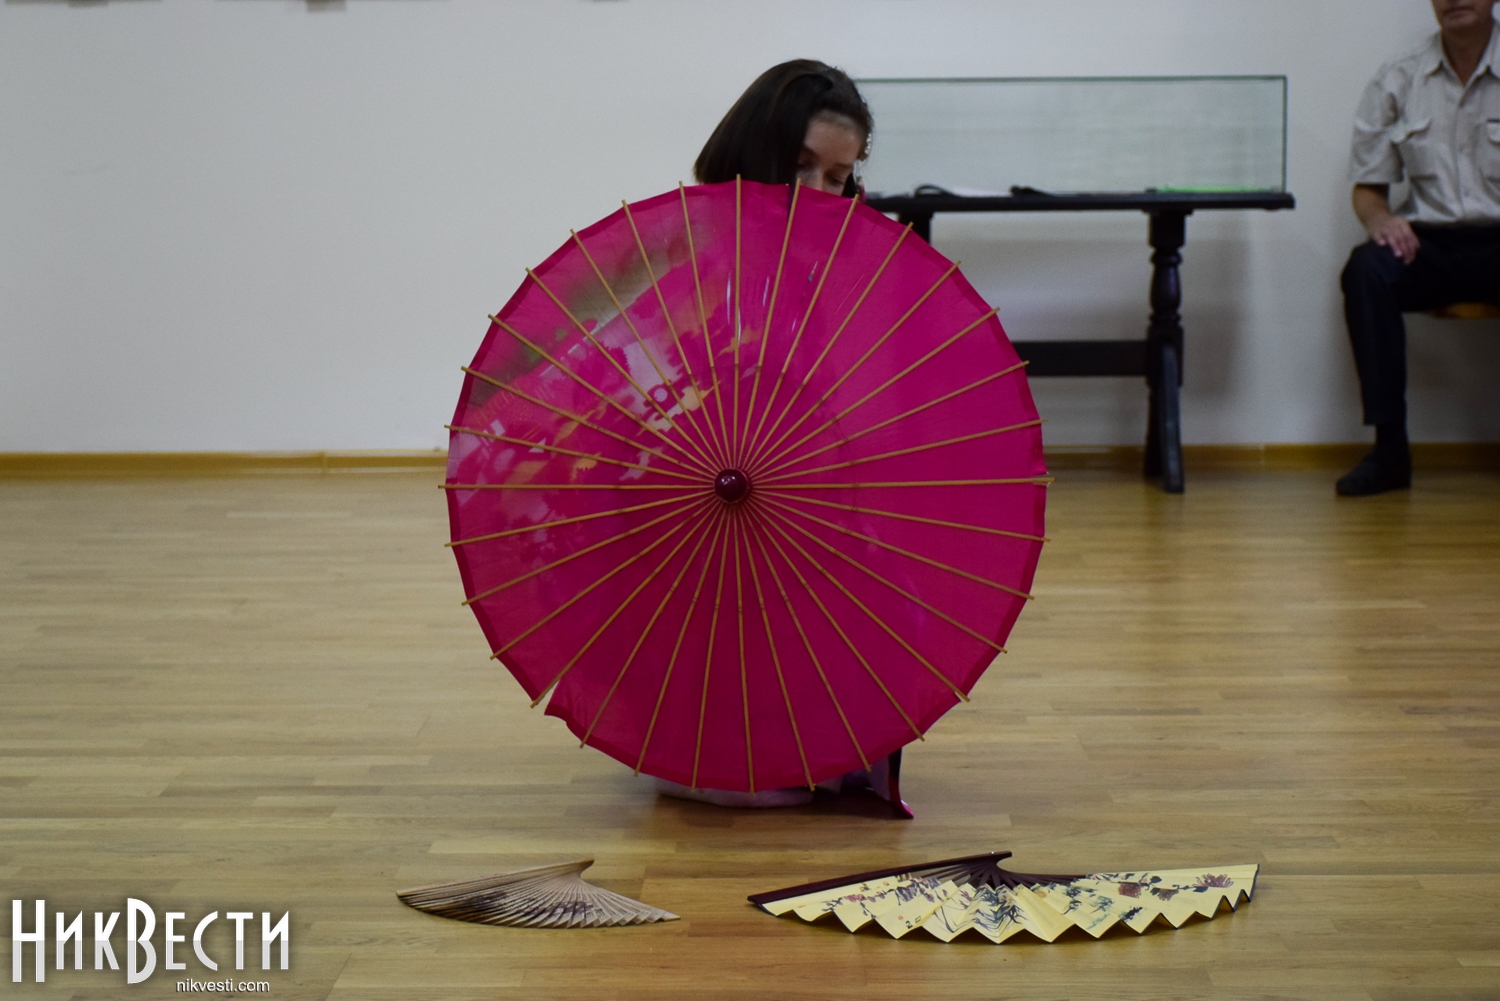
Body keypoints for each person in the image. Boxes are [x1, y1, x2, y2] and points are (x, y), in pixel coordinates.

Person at [655, 61, 910, 816]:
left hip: (795, 472)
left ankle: (785, 745)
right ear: (755, 153)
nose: (818, 193)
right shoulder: (699, 249)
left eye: (838, 176)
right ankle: (722, 749)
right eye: (800, 167)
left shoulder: (827, 260)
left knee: (877, 584)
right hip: (707, 481)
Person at [1337, 0, 1500, 496]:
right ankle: (1390, 451)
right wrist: (1381, 220)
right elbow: (1368, 188)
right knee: (1367, 270)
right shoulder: (1398, 76)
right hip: (1430, 246)